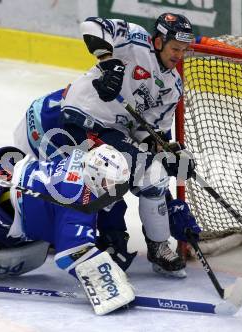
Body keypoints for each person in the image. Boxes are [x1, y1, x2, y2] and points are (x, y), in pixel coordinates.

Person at [13, 13, 197, 278]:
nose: (179, 55)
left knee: (153, 175)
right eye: (174, 48)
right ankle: (111, 236)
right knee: (116, 177)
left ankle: (151, 245)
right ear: (158, 42)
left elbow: (146, 132)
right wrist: (109, 63)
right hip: (79, 119)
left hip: (111, 132)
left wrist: (168, 153)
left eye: (183, 50)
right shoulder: (135, 41)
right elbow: (92, 25)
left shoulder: (172, 87)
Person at [0, 136, 135, 316]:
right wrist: (111, 289)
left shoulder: (81, 157)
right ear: (94, 177)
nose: (115, 190)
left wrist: (112, 230)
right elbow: (72, 253)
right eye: (110, 185)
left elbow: (107, 201)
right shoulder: (76, 203)